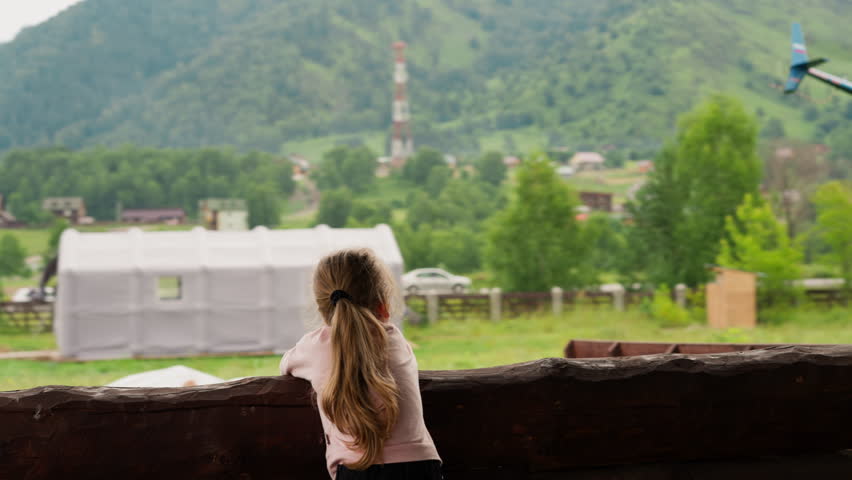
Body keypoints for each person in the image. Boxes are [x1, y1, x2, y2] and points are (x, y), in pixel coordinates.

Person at [280, 248, 442, 479]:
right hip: (421, 465)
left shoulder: (313, 346)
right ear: (383, 305)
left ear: (323, 309)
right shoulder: (394, 339)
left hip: (356, 470)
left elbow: (285, 365)